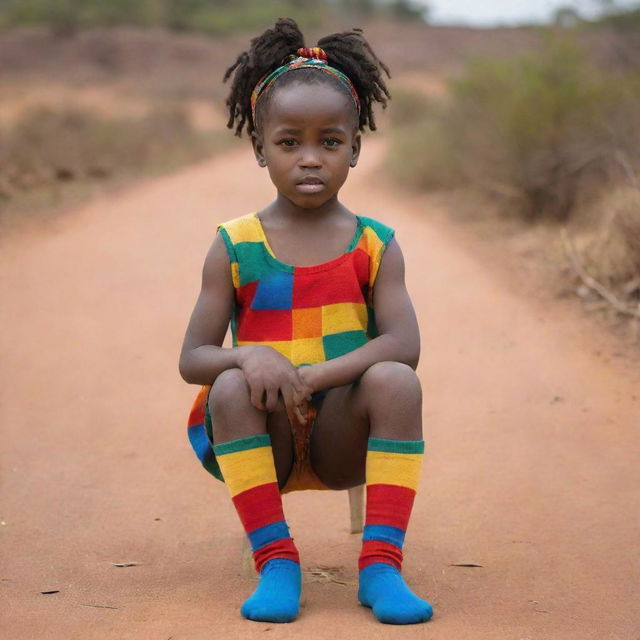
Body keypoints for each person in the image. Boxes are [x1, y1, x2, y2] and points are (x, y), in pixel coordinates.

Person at [179, 17, 433, 625]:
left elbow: (405, 343)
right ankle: (277, 560)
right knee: (232, 383)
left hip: (342, 433)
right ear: (261, 149)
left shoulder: (375, 245)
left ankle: (381, 566)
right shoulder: (234, 245)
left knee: (397, 380)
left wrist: (317, 377)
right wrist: (247, 354)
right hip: (262, 433)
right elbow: (193, 359)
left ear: (356, 147)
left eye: (330, 141)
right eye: (290, 142)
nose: (310, 159)